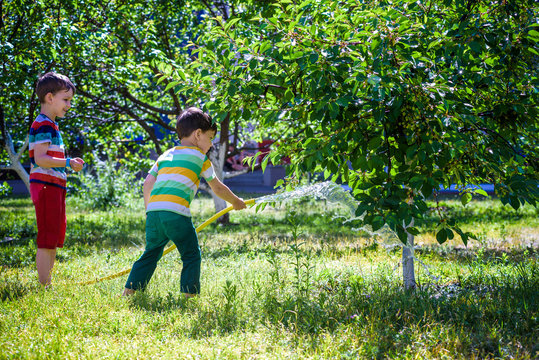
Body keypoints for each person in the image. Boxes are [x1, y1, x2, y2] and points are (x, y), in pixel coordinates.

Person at [123, 107, 246, 297]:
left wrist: (150, 211)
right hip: (177, 214)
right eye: (210, 138)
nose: (211, 144)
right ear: (198, 134)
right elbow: (217, 187)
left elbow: (147, 184)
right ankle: (189, 296)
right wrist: (236, 201)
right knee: (191, 255)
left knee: (150, 254)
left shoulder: (165, 155)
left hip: (154, 213)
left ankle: (129, 292)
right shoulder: (201, 158)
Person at [29, 72, 85, 286]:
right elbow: (41, 158)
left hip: (52, 186)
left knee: (54, 233)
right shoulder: (43, 124)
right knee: (47, 235)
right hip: (44, 186)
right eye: (66, 100)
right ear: (50, 98)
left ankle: (48, 281)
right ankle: (44, 284)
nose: (69, 105)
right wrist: (67, 162)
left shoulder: (51, 125)